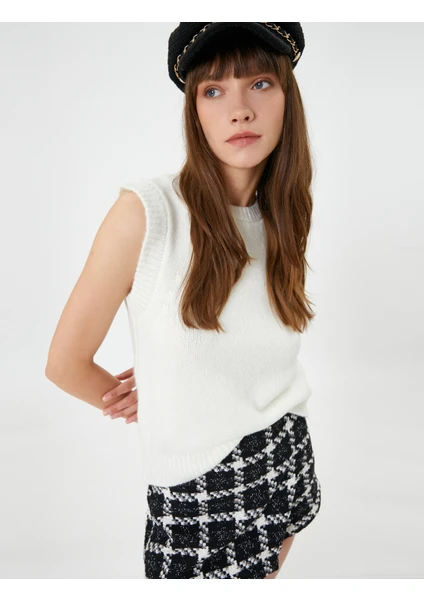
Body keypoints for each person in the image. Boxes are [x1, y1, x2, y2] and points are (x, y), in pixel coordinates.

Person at [45, 22, 322, 579]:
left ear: (287, 98)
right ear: (194, 112)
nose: (239, 110)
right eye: (213, 91)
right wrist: (150, 400)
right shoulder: (148, 212)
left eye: (260, 84)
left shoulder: (283, 210)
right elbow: (64, 364)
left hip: (287, 457)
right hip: (197, 491)